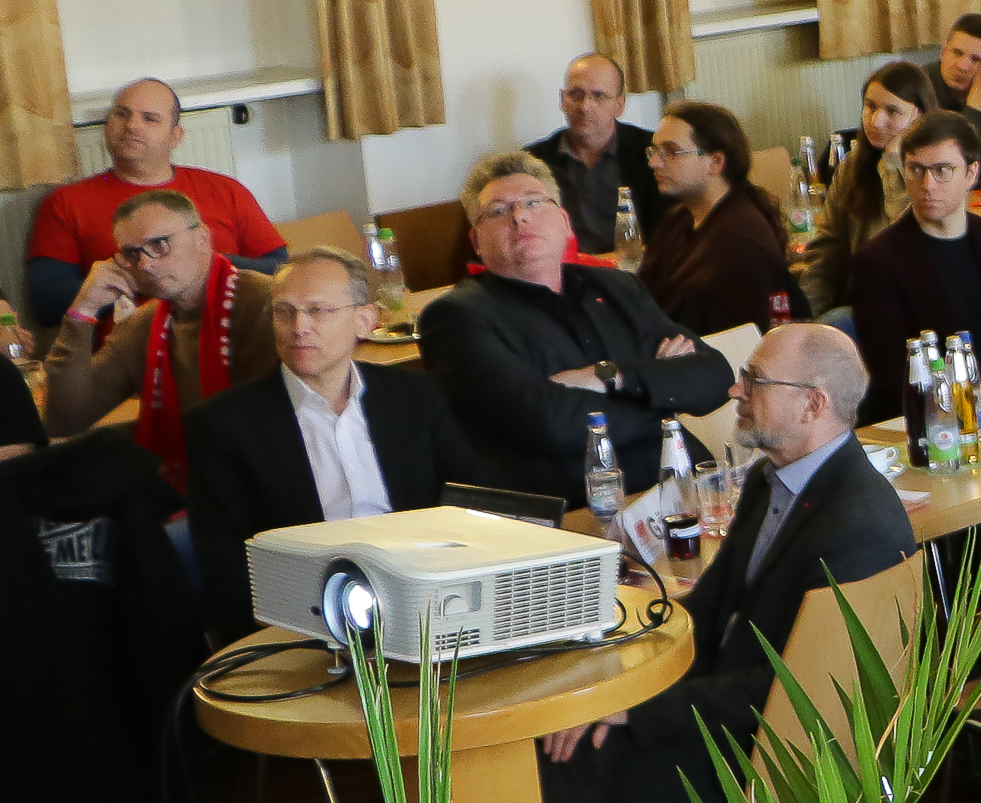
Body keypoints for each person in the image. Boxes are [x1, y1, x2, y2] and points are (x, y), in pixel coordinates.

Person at [533, 323, 910, 803]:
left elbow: (788, 689)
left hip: (772, 747)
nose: (736, 388)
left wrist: (631, 711)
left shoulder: (857, 524)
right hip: (725, 706)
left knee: (567, 759)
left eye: (757, 379)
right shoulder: (774, 477)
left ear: (814, 403)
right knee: (571, 734)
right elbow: (709, 606)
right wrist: (619, 678)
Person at [179, 248, 476, 642]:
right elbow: (227, 567)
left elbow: (468, 501)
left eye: (318, 310)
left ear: (364, 320)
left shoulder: (415, 396)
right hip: (308, 621)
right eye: (284, 312)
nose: (298, 327)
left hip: (422, 598)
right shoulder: (223, 425)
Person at [415, 152, 729, 496]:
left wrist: (610, 375)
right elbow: (553, 423)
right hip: (577, 514)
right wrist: (666, 401)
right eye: (498, 211)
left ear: (565, 222)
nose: (519, 217)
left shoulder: (617, 287)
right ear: (476, 242)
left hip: (685, 488)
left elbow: (714, 375)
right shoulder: (456, 318)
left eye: (533, 203)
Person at [40, 185, 284, 483]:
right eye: (131, 253)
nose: (145, 263)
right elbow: (66, 420)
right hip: (180, 489)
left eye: (160, 244)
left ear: (202, 238)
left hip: (255, 484)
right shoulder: (143, 325)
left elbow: (263, 428)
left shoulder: (266, 303)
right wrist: (81, 313)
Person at [21, 79, 285, 329]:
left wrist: (206, 266)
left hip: (232, 340)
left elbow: (280, 272)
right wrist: (138, 276)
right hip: (126, 356)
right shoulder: (65, 203)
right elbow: (45, 304)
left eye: (149, 118)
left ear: (175, 136)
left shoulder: (226, 190)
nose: (132, 125)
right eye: (122, 114)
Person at [847, 114, 981, 415]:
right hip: (941, 419)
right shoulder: (878, 262)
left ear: (972, 173)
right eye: (915, 170)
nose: (927, 184)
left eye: (942, 170)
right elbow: (893, 377)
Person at [798, 61, 946, 318]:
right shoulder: (851, 168)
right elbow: (825, 251)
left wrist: (893, 163)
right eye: (870, 106)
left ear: (919, 116)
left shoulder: (936, 172)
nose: (876, 121)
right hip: (861, 303)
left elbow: (906, 243)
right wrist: (807, 318)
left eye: (892, 111)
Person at [632, 101, 795, 334]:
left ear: (715, 162)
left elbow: (736, 345)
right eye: (655, 151)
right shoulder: (678, 218)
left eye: (671, 151)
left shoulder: (741, 241)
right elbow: (644, 298)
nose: (654, 162)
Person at [525, 54, 662, 257]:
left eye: (599, 96)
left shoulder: (651, 153)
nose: (585, 106)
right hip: (565, 275)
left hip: (634, 271)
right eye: (576, 94)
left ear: (619, 105)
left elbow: (668, 233)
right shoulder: (533, 162)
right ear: (563, 100)